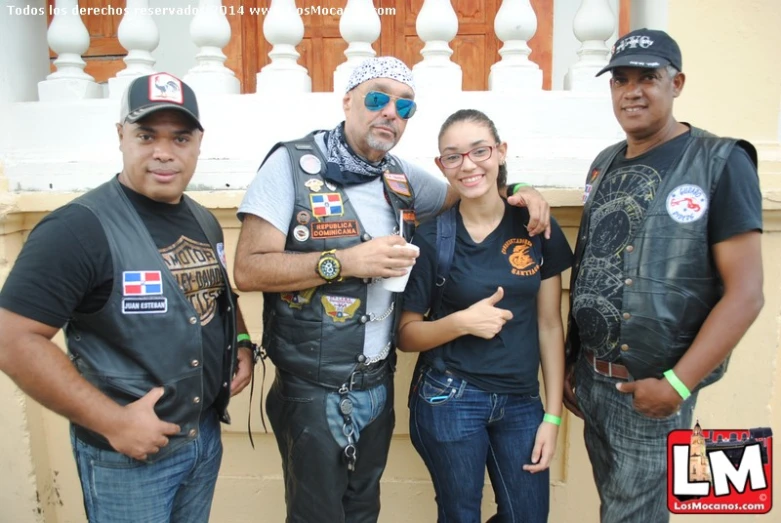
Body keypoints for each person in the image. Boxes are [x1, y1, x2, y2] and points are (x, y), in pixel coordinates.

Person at [233, 56, 551, 523]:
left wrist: (522, 186)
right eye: (378, 98)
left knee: (363, 511)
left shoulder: (400, 176)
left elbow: (472, 188)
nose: (391, 113)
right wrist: (343, 262)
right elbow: (248, 269)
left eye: (405, 106)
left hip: (376, 382)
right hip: (313, 388)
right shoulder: (292, 165)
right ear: (347, 101)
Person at [0, 73, 256, 523]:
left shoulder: (202, 219)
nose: (163, 152)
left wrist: (240, 341)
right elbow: (13, 339)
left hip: (202, 438)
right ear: (121, 136)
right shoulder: (77, 229)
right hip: (128, 459)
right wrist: (113, 422)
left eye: (180, 137)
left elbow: (213, 294)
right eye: (145, 135)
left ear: (198, 142)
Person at [562, 29, 764, 522]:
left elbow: (746, 294)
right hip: (592, 384)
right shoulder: (603, 163)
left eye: (648, 77)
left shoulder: (720, 162)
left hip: (651, 392)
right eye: (620, 80)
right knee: (621, 508)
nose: (632, 91)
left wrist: (677, 383)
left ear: (677, 83)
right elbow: (596, 263)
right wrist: (574, 365)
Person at [396, 109, 573, 522]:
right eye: (453, 156)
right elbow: (405, 334)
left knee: (526, 516)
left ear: (500, 152)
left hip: (522, 403)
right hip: (450, 398)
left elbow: (550, 325)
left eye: (480, 151)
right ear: (442, 166)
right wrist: (461, 322)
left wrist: (552, 416)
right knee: (460, 515)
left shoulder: (535, 227)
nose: (469, 165)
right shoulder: (433, 237)